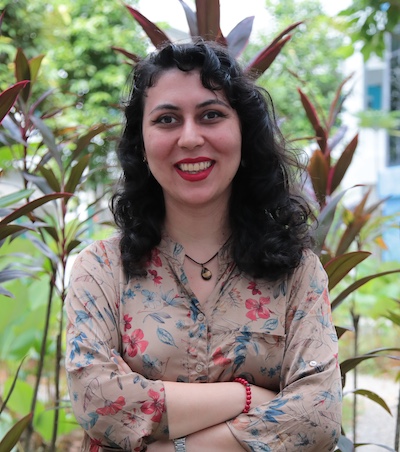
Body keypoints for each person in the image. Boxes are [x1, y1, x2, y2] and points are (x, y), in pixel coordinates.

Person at [65, 40, 342, 452]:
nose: (191, 138)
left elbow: (318, 416)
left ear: (244, 134)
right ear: (141, 145)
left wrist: (173, 449)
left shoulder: (297, 272)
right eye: (167, 119)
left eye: (211, 115)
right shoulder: (102, 269)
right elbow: (97, 401)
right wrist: (247, 397)